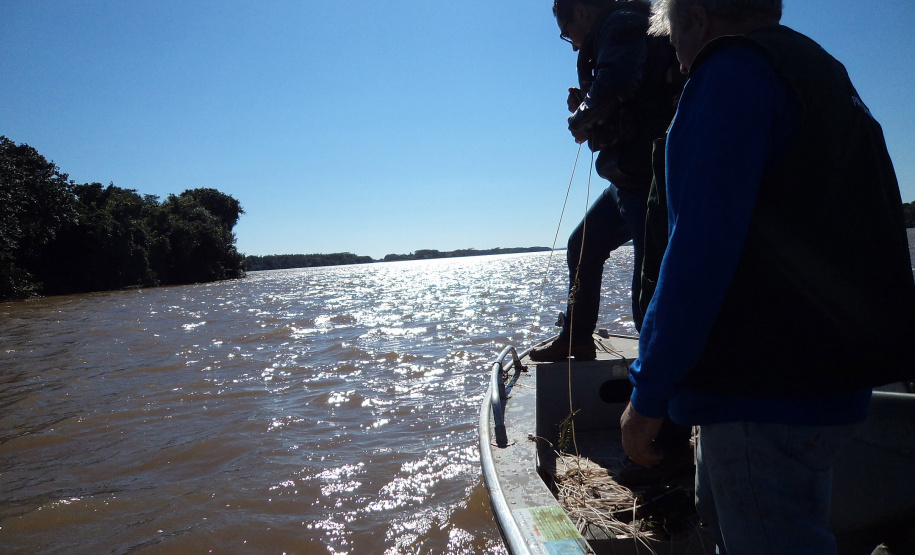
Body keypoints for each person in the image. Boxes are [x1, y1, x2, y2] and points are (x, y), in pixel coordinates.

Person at [620, 0, 915, 553]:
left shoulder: (729, 74)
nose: (678, 61)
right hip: (834, 386)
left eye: (674, 39)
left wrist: (648, 393)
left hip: (761, 395)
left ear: (697, 19)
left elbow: (698, 253)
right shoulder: (820, 68)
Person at [530, 0, 684, 362]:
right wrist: (587, 102)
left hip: (648, 179)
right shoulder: (618, 27)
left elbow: (618, 79)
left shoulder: (622, 22)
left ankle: (658, 394)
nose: (573, 45)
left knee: (647, 289)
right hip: (624, 178)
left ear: (581, 10)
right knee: (582, 243)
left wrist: (580, 120)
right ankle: (577, 338)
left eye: (568, 33)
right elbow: (629, 89)